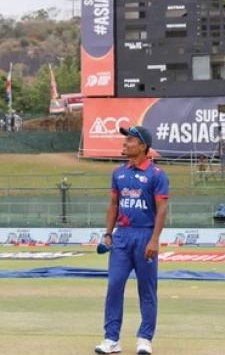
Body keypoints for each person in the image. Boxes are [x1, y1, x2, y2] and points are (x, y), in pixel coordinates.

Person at [95, 126, 168, 355]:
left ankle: (145, 338)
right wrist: (108, 234)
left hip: (145, 234)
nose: (125, 143)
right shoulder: (118, 173)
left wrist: (154, 240)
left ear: (143, 146)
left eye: (130, 140)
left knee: (147, 289)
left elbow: (161, 209)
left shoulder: (156, 175)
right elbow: (113, 205)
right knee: (114, 286)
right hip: (122, 236)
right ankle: (111, 339)